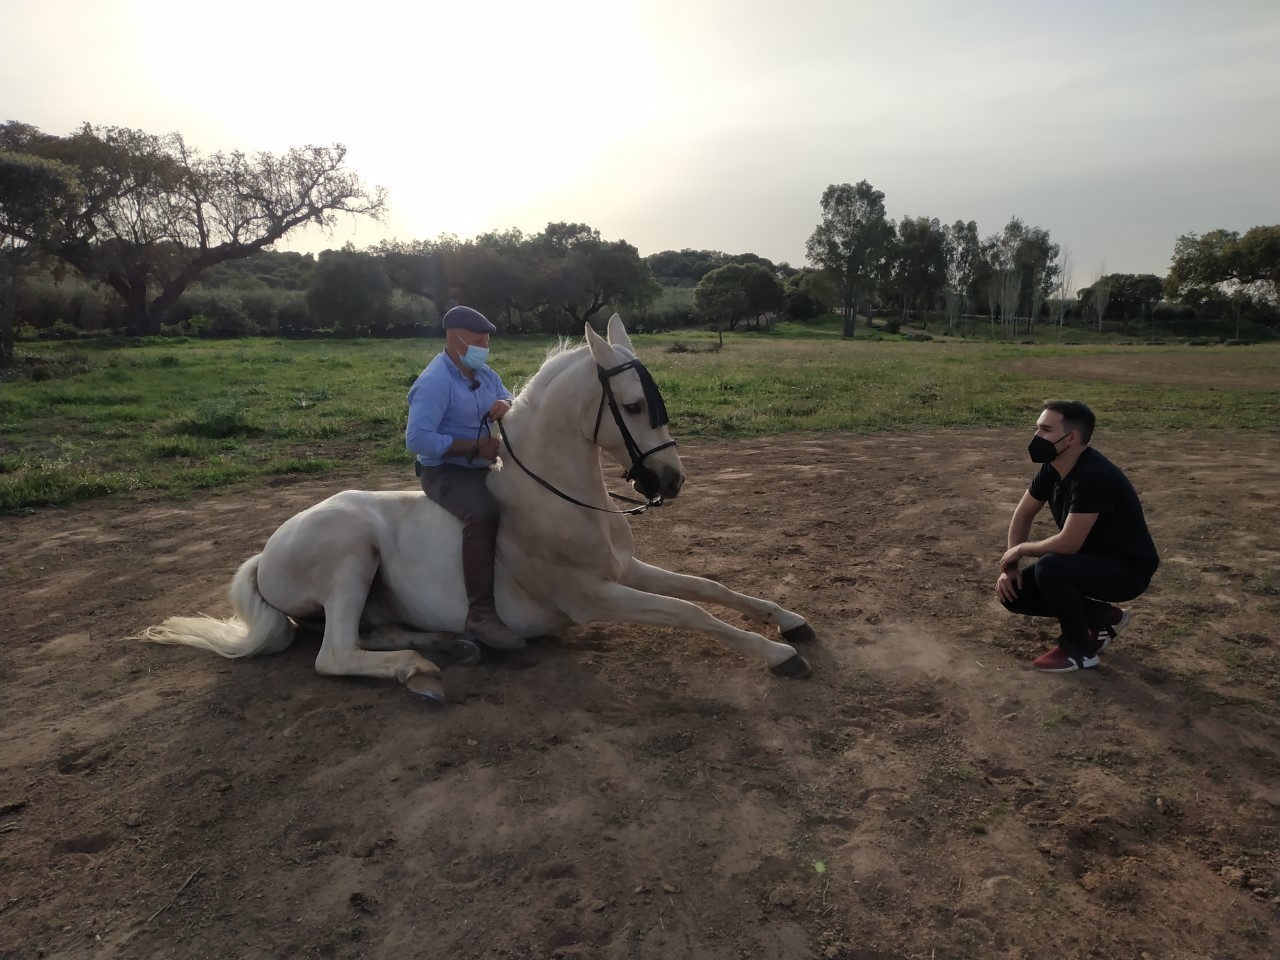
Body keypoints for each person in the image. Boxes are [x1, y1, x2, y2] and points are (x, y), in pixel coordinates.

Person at [996, 399, 1159, 672]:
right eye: (1038, 428)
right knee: (1015, 593)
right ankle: (1104, 617)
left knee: (1051, 567)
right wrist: (1010, 567)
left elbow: (1068, 544)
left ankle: (1078, 651)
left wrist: (1020, 550)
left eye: (1046, 430)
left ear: (1070, 437)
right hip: (1091, 560)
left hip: (1128, 571)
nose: (1037, 437)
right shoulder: (1053, 468)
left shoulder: (1094, 475)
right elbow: (1023, 514)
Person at [405, 305, 523, 649]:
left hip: (481, 465)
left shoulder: (484, 373)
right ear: (454, 339)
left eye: (486, 340)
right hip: (444, 472)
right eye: (477, 340)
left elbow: (506, 394)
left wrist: (505, 402)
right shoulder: (433, 383)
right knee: (483, 512)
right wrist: (475, 448)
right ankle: (480, 615)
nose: (483, 346)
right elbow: (417, 439)